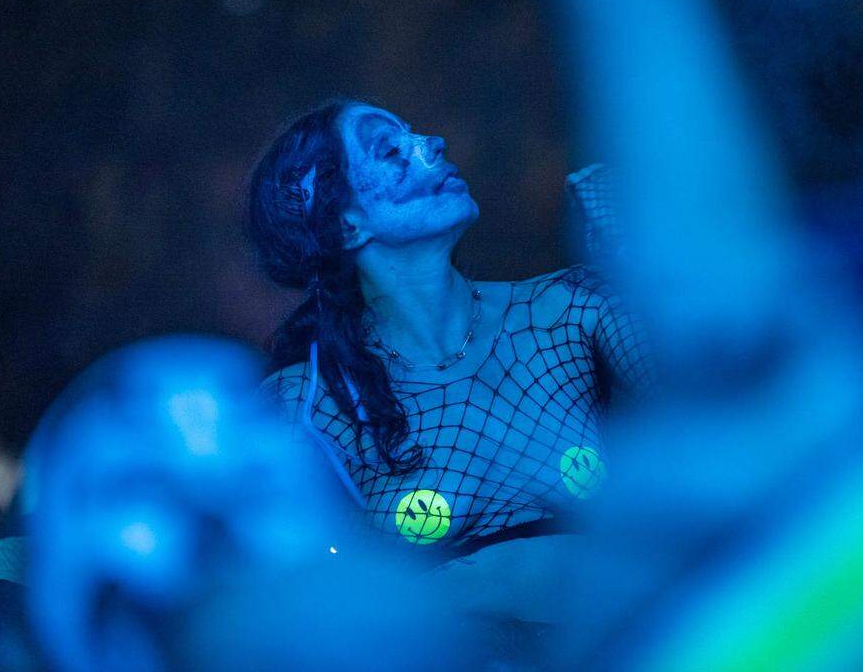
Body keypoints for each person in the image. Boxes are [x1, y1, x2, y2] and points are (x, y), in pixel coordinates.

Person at [249, 99, 654, 620]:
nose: (431, 144)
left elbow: (715, 410)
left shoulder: (571, 310)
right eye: (391, 148)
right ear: (346, 226)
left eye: (415, 134)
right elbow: (298, 604)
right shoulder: (307, 403)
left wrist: (641, 271)